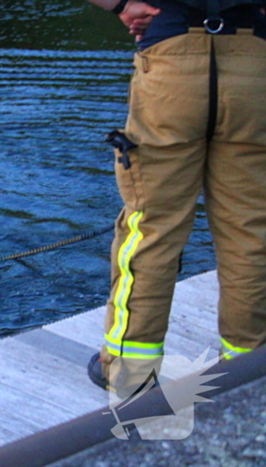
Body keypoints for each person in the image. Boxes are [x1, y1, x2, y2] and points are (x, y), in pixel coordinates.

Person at [84, 0, 266, 392]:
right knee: (251, 232)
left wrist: (123, 4)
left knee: (151, 226)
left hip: (171, 62)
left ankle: (129, 371)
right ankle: (250, 368)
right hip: (255, 64)